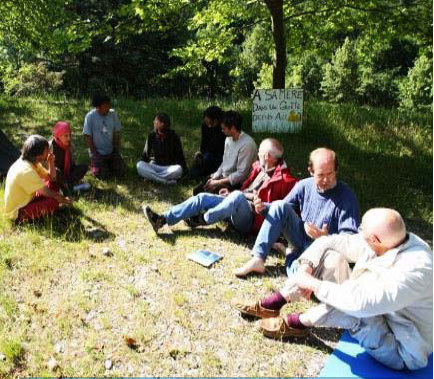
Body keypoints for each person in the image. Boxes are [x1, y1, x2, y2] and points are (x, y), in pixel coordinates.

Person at [233, 208, 433, 371]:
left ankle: (297, 324)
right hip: (383, 313)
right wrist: (306, 268)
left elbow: (359, 304)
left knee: (351, 305)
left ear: (375, 239)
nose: (359, 235)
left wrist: (313, 284)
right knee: (331, 256)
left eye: (363, 232)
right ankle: (277, 301)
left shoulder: (415, 270)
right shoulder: (392, 240)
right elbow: (329, 241)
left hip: (404, 347)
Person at [234, 147, 359, 277]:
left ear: (336, 170)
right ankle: (258, 258)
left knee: (300, 277)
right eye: (321, 175)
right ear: (311, 171)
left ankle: (289, 254)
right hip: (301, 236)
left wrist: (324, 238)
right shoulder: (304, 185)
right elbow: (281, 209)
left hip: (326, 251)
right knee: (279, 205)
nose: (326, 180)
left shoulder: (347, 196)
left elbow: (350, 239)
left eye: (330, 174)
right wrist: (263, 207)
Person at [144, 138, 297, 235]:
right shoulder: (259, 167)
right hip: (236, 205)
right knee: (203, 197)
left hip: (250, 221)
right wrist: (231, 192)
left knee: (237, 196)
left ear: (268, 157)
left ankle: (202, 219)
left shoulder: (286, 181)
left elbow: (284, 213)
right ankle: (162, 219)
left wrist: (239, 195)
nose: (257, 155)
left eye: (260, 153)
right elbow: (246, 190)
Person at [4, 135, 73, 222]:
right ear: (38, 155)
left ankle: (52, 204)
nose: (49, 151)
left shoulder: (32, 162)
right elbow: (46, 191)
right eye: (46, 150)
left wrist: (51, 162)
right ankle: (27, 218)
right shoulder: (26, 170)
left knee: (55, 183)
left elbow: (52, 178)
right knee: (54, 201)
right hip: (18, 212)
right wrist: (64, 200)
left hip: (28, 199)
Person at [193, 110, 257, 195]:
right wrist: (216, 175)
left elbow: (241, 175)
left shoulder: (247, 144)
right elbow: (225, 162)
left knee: (207, 193)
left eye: (224, 128)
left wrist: (218, 182)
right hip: (225, 177)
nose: (222, 131)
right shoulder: (228, 139)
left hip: (238, 183)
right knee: (198, 190)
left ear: (233, 128)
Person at [83, 94, 126, 179]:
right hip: (97, 152)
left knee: (121, 172)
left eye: (109, 105)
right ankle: (96, 166)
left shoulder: (113, 114)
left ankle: (109, 164)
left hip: (111, 151)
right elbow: (88, 137)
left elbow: (116, 133)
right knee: (103, 176)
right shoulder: (90, 116)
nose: (108, 108)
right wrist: (94, 154)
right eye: (106, 106)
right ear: (98, 107)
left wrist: (116, 150)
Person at [136, 112, 187, 184]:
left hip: (168, 168)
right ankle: (165, 181)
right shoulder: (151, 136)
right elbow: (145, 156)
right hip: (154, 166)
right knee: (139, 165)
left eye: (156, 121)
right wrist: (143, 168)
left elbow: (180, 156)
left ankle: (153, 178)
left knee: (178, 169)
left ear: (162, 124)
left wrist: (184, 172)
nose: (154, 122)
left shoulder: (174, 137)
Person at [50, 121, 88, 193]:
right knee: (56, 171)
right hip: (55, 176)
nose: (69, 138)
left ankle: (68, 186)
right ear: (58, 135)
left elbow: (72, 164)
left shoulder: (70, 146)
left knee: (84, 167)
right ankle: (69, 188)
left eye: (70, 135)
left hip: (67, 175)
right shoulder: (51, 146)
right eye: (66, 136)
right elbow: (47, 169)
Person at [190, 106, 226, 179]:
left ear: (216, 120)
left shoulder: (223, 129)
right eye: (206, 121)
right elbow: (204, 142)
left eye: (209, 121)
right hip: (208, 154)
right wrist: (200, 153)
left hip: (221, 155)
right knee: (193, 172)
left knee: (207, 160)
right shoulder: (205, 126)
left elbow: (221, 147)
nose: (207, 123)